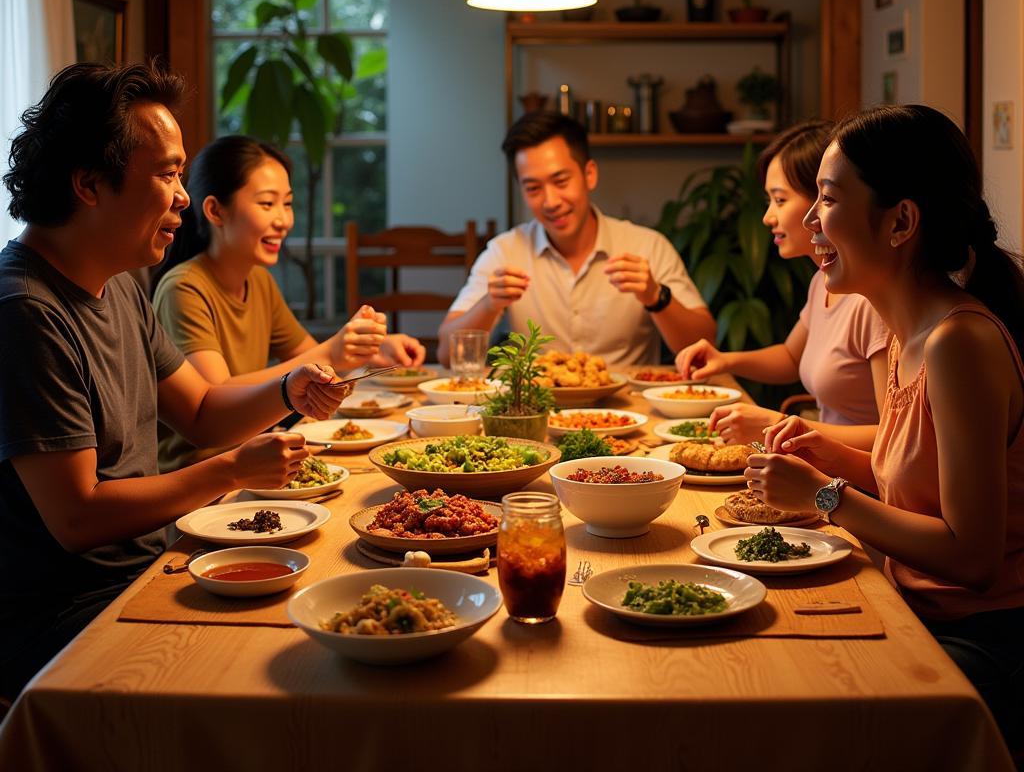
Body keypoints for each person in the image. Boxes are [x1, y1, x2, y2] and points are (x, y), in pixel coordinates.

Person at [0, 63, 353, 700]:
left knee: (329, 616)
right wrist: (232, 472)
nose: (184, 197)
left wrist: (286, 389)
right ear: (88, 184)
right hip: (65, 617)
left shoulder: (121, 283)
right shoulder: (27, 311)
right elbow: (77, 517)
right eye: (166, 174)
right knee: (292, 681)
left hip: (146, 570)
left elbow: (202, 413)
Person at [746, 105, 1024, 749]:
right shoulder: (909, 337)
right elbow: (921, 488)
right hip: (909, 604)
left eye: (828, 198)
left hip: (979, 640)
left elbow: (973, 556)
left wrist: (824, 496)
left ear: (900, 221)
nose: (811, 220)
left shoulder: (961, 343)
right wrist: (831, 457)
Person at [150, 135, 425, 470]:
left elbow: (312, 365)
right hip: (203, 477)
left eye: (288, 203)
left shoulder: (259, 281)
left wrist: (368, 349)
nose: (284, 220)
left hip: (257, 461)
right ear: (215, 210)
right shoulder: (184, 289)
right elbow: (213, 397)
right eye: (267, 204)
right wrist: (332, 352)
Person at [438, 112, 715, 368]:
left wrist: (656, 296)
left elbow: (703, 348)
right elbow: (447, 357)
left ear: (589, 174)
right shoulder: (505, 251)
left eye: (561, 181)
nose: (550, 201)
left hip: (630, 412)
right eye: (533, 188)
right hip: (537, 409)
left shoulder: (647, 246)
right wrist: (489, 304)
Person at [675, 121, 889, 446]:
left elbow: (895, 440)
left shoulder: (870, 299)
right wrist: (725, 360)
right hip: (828, 472)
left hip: (857, 484)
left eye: (780, 200)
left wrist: (780, 423)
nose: (767, 217)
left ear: (824, 198)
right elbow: (791, 358)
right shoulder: (824, 280)